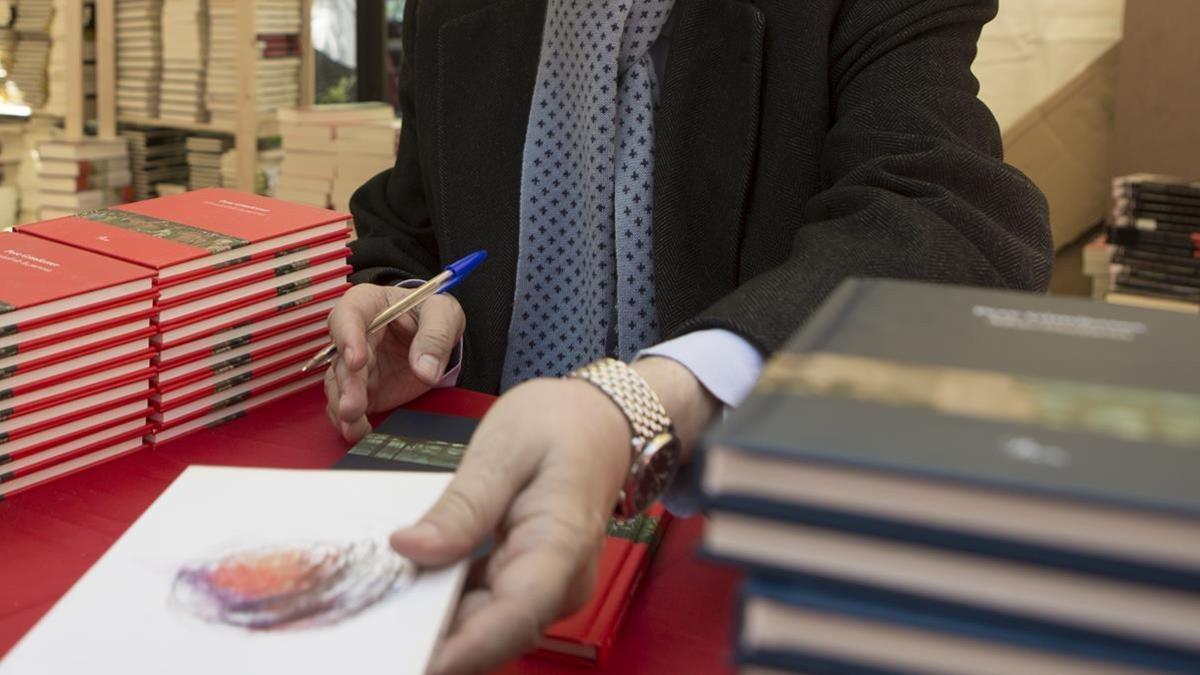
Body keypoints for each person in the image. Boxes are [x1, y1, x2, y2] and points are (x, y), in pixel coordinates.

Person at [326, 0, 1052, 671]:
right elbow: (411, 212)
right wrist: (409, 304)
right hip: (481, 533)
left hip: (732, 569)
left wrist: (655, 398)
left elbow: (944, 217)